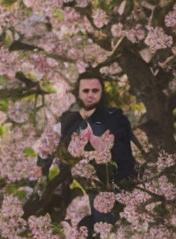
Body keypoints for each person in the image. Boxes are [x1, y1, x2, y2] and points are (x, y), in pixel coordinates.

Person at [37, 71, 137, 225]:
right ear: (78, 93)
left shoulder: (114, 119)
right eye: (85, 91)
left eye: (95, 91)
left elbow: (124, 154)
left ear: (101, 92)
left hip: (103, 179)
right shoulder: (65, 121)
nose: (90, 95)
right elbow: (47, 148)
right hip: (68, 178)